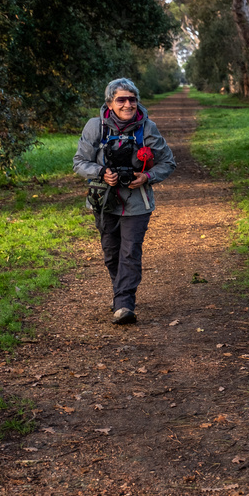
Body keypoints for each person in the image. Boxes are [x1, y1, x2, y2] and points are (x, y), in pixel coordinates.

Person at [73, 78, 176, 324]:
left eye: (132, 99)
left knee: (130, 252)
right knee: (111, 253)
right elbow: (79, 162)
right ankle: (120, 292)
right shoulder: (95, 127)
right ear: (110, 103)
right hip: (104, 201)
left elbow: (168, 163)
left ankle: (124, 304)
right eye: (121, 99)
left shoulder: (147, 128)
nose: (128, 104)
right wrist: (101, 172)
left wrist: (147, 176)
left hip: (137, 202)